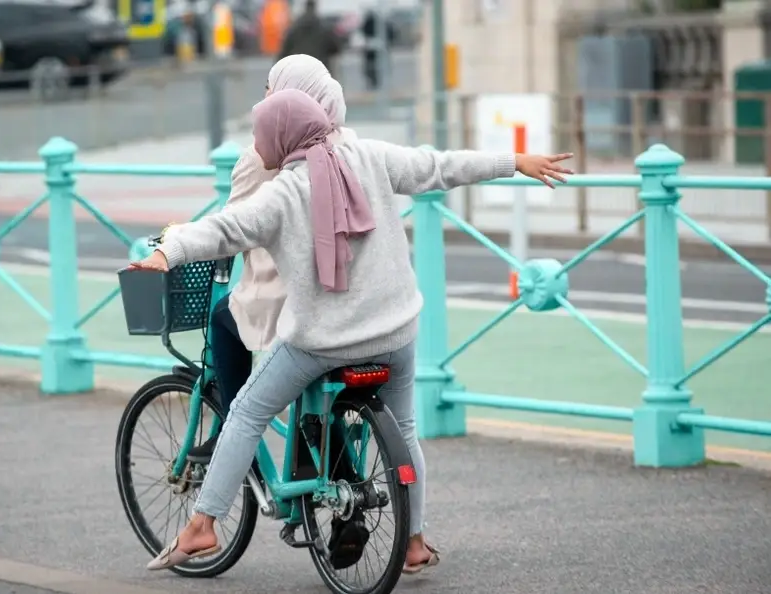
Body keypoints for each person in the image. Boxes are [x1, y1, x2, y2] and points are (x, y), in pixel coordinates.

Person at [132, 89, 574, 574]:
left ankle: (202, 525)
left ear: (283, 138)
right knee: (404, 431)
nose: (257, 145)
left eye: (262, 135)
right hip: (397, 333)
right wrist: (516, 162)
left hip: (323, 344)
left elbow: (224, 229)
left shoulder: (284, 192)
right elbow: (441, 166)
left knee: (246, 411)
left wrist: (167, 251)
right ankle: (414, 543)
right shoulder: (370, 156)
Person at [186, 54, 355, 464]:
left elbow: (233, 229)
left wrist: (181, 243)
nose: (264, 94)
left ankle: (232, 427)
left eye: (270, 85)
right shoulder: (348, 141)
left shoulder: (263, 152)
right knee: (315, 375)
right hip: (348, 290)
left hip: (285, 295)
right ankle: (340, 465)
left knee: (224, 318)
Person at [277, 0, 342, 72]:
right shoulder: (324, 28)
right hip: (319, 69)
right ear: (315, 8)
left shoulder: (294, 28)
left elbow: (283, 52)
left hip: (298, 70)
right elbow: (336, 48)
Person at [361, 9, 396, 90]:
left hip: (371, 51)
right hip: (380, 49)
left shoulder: (368, 24)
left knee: (371, 67)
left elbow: (363, 33)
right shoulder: (383, 24)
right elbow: (392, 34)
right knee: (379, 66)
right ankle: (378, 81)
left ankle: (374, 82)